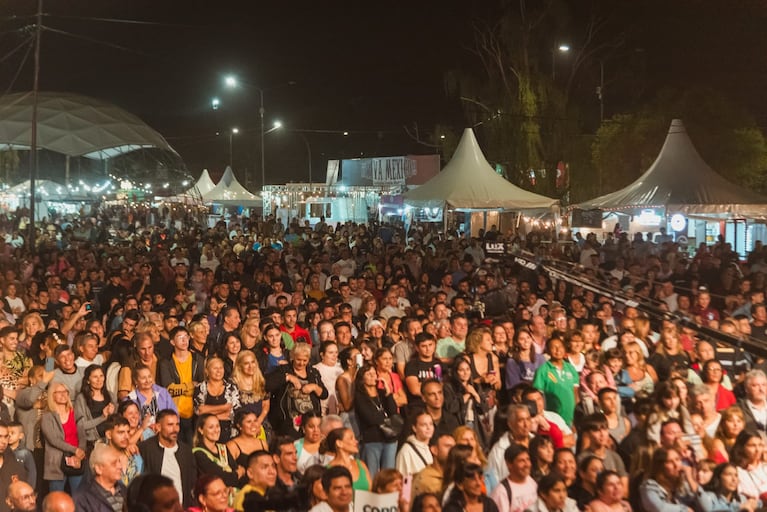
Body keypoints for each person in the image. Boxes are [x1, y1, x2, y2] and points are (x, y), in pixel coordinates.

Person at [266, 343, 328, 439]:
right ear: (293, 357)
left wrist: (314, 387)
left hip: (310, 420)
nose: (301, 363)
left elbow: (324, 394)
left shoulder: (313, 372)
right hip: (289, 421)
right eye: (298, 359)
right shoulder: (284, 370)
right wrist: (288, 377)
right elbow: (267, 385)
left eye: (305, 360)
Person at [138, 409, 196, 508]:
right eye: (170, 425)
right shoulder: (146, 448)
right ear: (158, 427)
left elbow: (192, 481)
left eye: (177, 424)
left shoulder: (186, 451)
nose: (175, 429)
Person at [355, 362, 399, 476]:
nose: (373, 376)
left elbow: (393, 412)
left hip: (389, 439)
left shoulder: (382, 393)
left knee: (388, 475)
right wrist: (386, 418)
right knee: (372, 474)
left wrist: (388, 393)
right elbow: (370, 418)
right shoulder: (360, 397)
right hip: (372, 440)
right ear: (362, 378)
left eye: (374, 373)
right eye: (369, 374)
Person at [41, 381, 85, 492]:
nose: (63, 394)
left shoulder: (75, 413)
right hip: (57, 462)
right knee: (56, 498)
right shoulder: (47, 417)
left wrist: (79, 454)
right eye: (59, 392)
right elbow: (53, 440)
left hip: (76, 460)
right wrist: (75, 450)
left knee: (78, 498)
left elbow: (82, 436)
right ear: (52, 395)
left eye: (65, 392)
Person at [193, 357, 240, 443]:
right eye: (215, 368)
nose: (219, 371)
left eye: (221, 368)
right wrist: (223, 408)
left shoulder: (231, 387)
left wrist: (208, 411)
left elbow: (231, 413)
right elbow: (200, 411)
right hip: (207, 434)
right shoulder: (200, 388)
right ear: (207, 371)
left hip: (229, 434)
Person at [639, 448, 698, 512]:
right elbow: (659, 508)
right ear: (660, 466)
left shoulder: (683, 484)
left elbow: (706, 506)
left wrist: (690, 479)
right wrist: (685, 509)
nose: (676, 465)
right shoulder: (649, 486)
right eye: (670, 462)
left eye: (677, 459)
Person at [192, 414, 242, 488]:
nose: (216, 430)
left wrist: (235, 475)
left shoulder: (223, 448)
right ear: (201, 430)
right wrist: (239, 473)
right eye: (211, 427)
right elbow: (221, 478)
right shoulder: (198, 453)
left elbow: (234, 470)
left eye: (217, 426)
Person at [73, 444, 126, 512]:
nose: (120, 466)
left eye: (119, 462)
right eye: (114, 463)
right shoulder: (83, 497)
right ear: (98, 469)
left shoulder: (124, 490)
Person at [73, 364, 115, 449]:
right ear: (88, 380)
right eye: (95, 377)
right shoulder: (81, 399)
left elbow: (117, 422)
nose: (99, 380)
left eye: (101, 376)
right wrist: (102, 417)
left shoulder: (111, 396)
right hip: (91, 445)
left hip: (110, 443)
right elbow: (80, 426)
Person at [489, 444, 537, 512]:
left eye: (528, 459)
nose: (527, 464)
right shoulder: (501, 492)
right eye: (521, 461)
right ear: (509, 464)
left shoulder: (532, 482)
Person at [411, 432, 456, 501]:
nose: (452, 451)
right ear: (434, 450)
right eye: (447, 446)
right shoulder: (425, 480)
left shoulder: (453, 475)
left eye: (454, 447)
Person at [325, 427, 372, 492]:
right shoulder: (329, 470)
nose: (356, 441)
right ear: (339, 443)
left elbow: (371, 492)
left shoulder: (361, 465)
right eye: (351, 438)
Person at [226, 410, 269, 474]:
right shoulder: (232, 445)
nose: (253, 424)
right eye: (249, 422)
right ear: (239, 426)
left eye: (255, 421)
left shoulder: (263, 443)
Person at [395, 409, 434, 477]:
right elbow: (404, 481)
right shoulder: (406, 452)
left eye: (431, 424)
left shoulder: (428, 448)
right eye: (423, 425)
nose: (428, 427)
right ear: (414, 428)